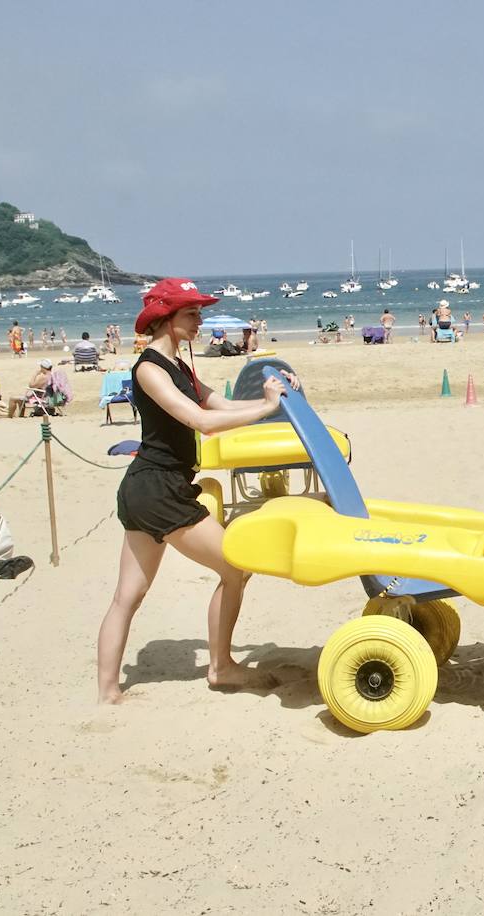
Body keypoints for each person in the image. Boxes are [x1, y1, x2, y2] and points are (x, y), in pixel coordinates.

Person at [97, 278, 295, 703]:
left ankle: (108, 692)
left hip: (150, 489)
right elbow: (200, 422)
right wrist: (264, 409)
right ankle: (221, 668)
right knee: (236, 567)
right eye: (191, 314)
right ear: (166, 319)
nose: (200, 321)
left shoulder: (180, 367)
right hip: (158, 489)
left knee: (128, 595)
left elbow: (219, 405)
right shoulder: (149, 369)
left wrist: (274, 404)